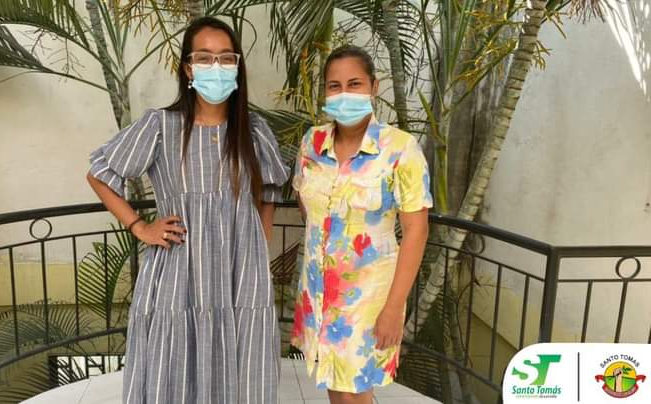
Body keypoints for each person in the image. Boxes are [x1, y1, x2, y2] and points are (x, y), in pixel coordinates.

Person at [86, 16, 289, 404]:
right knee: (173, 366)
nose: (217, 66)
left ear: (237, 66)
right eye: (205, 57)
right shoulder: (160, 126)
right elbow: (99, 174)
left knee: (243, 368)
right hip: (179, 271)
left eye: (226, 58)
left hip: (240, 273)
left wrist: (258, 255)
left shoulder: (254, 130)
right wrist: (139, 226)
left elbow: (267, 196)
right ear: (188, 68)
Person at [291, 45, 432, 404]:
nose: (344, 94)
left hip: (369, 295)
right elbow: (306, 201)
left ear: (373, 86)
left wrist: (393, 308)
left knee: (355, 391)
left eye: (354, 84)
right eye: (334, 86)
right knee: (335, 382)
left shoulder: (400, 149)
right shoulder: (312, 142)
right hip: (318, 288)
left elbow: (416, 231)